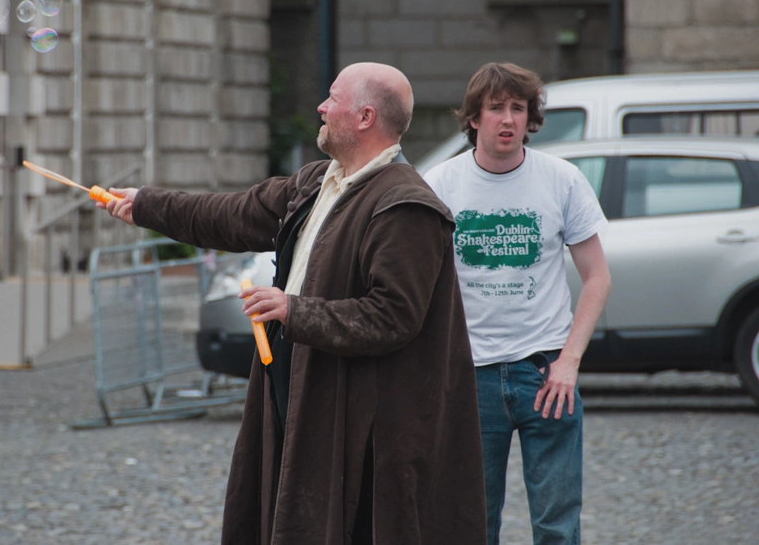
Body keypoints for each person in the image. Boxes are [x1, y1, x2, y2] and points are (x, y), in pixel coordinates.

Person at [101, 62, 486, 544]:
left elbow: (392, 318)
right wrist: (146, 205)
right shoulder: (316, 182)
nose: (321, 108)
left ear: (365, 117)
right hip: (300, 388)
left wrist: (293, 309)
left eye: (332, 98)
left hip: (363, 420)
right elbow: (231, 215)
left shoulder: (406, 206)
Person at [423, 62, 612, 545]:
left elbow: (597, 277)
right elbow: (419, 282)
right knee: (471, 524)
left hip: (546, 372)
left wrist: (569, 362)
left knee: (557, 525)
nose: (507, 119)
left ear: (530, 118)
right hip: (470, 376)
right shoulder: (440, 185)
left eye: (517, 108)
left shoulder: (562, 180)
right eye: (495, 108)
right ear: (473, 118)